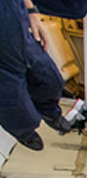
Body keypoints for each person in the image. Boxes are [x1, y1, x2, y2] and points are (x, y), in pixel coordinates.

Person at [0, 0, 76, 151]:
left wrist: (32, 11)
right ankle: (23, 131)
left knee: (49, 79)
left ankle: (49, 111)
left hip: (13, 18)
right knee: (13, 98)